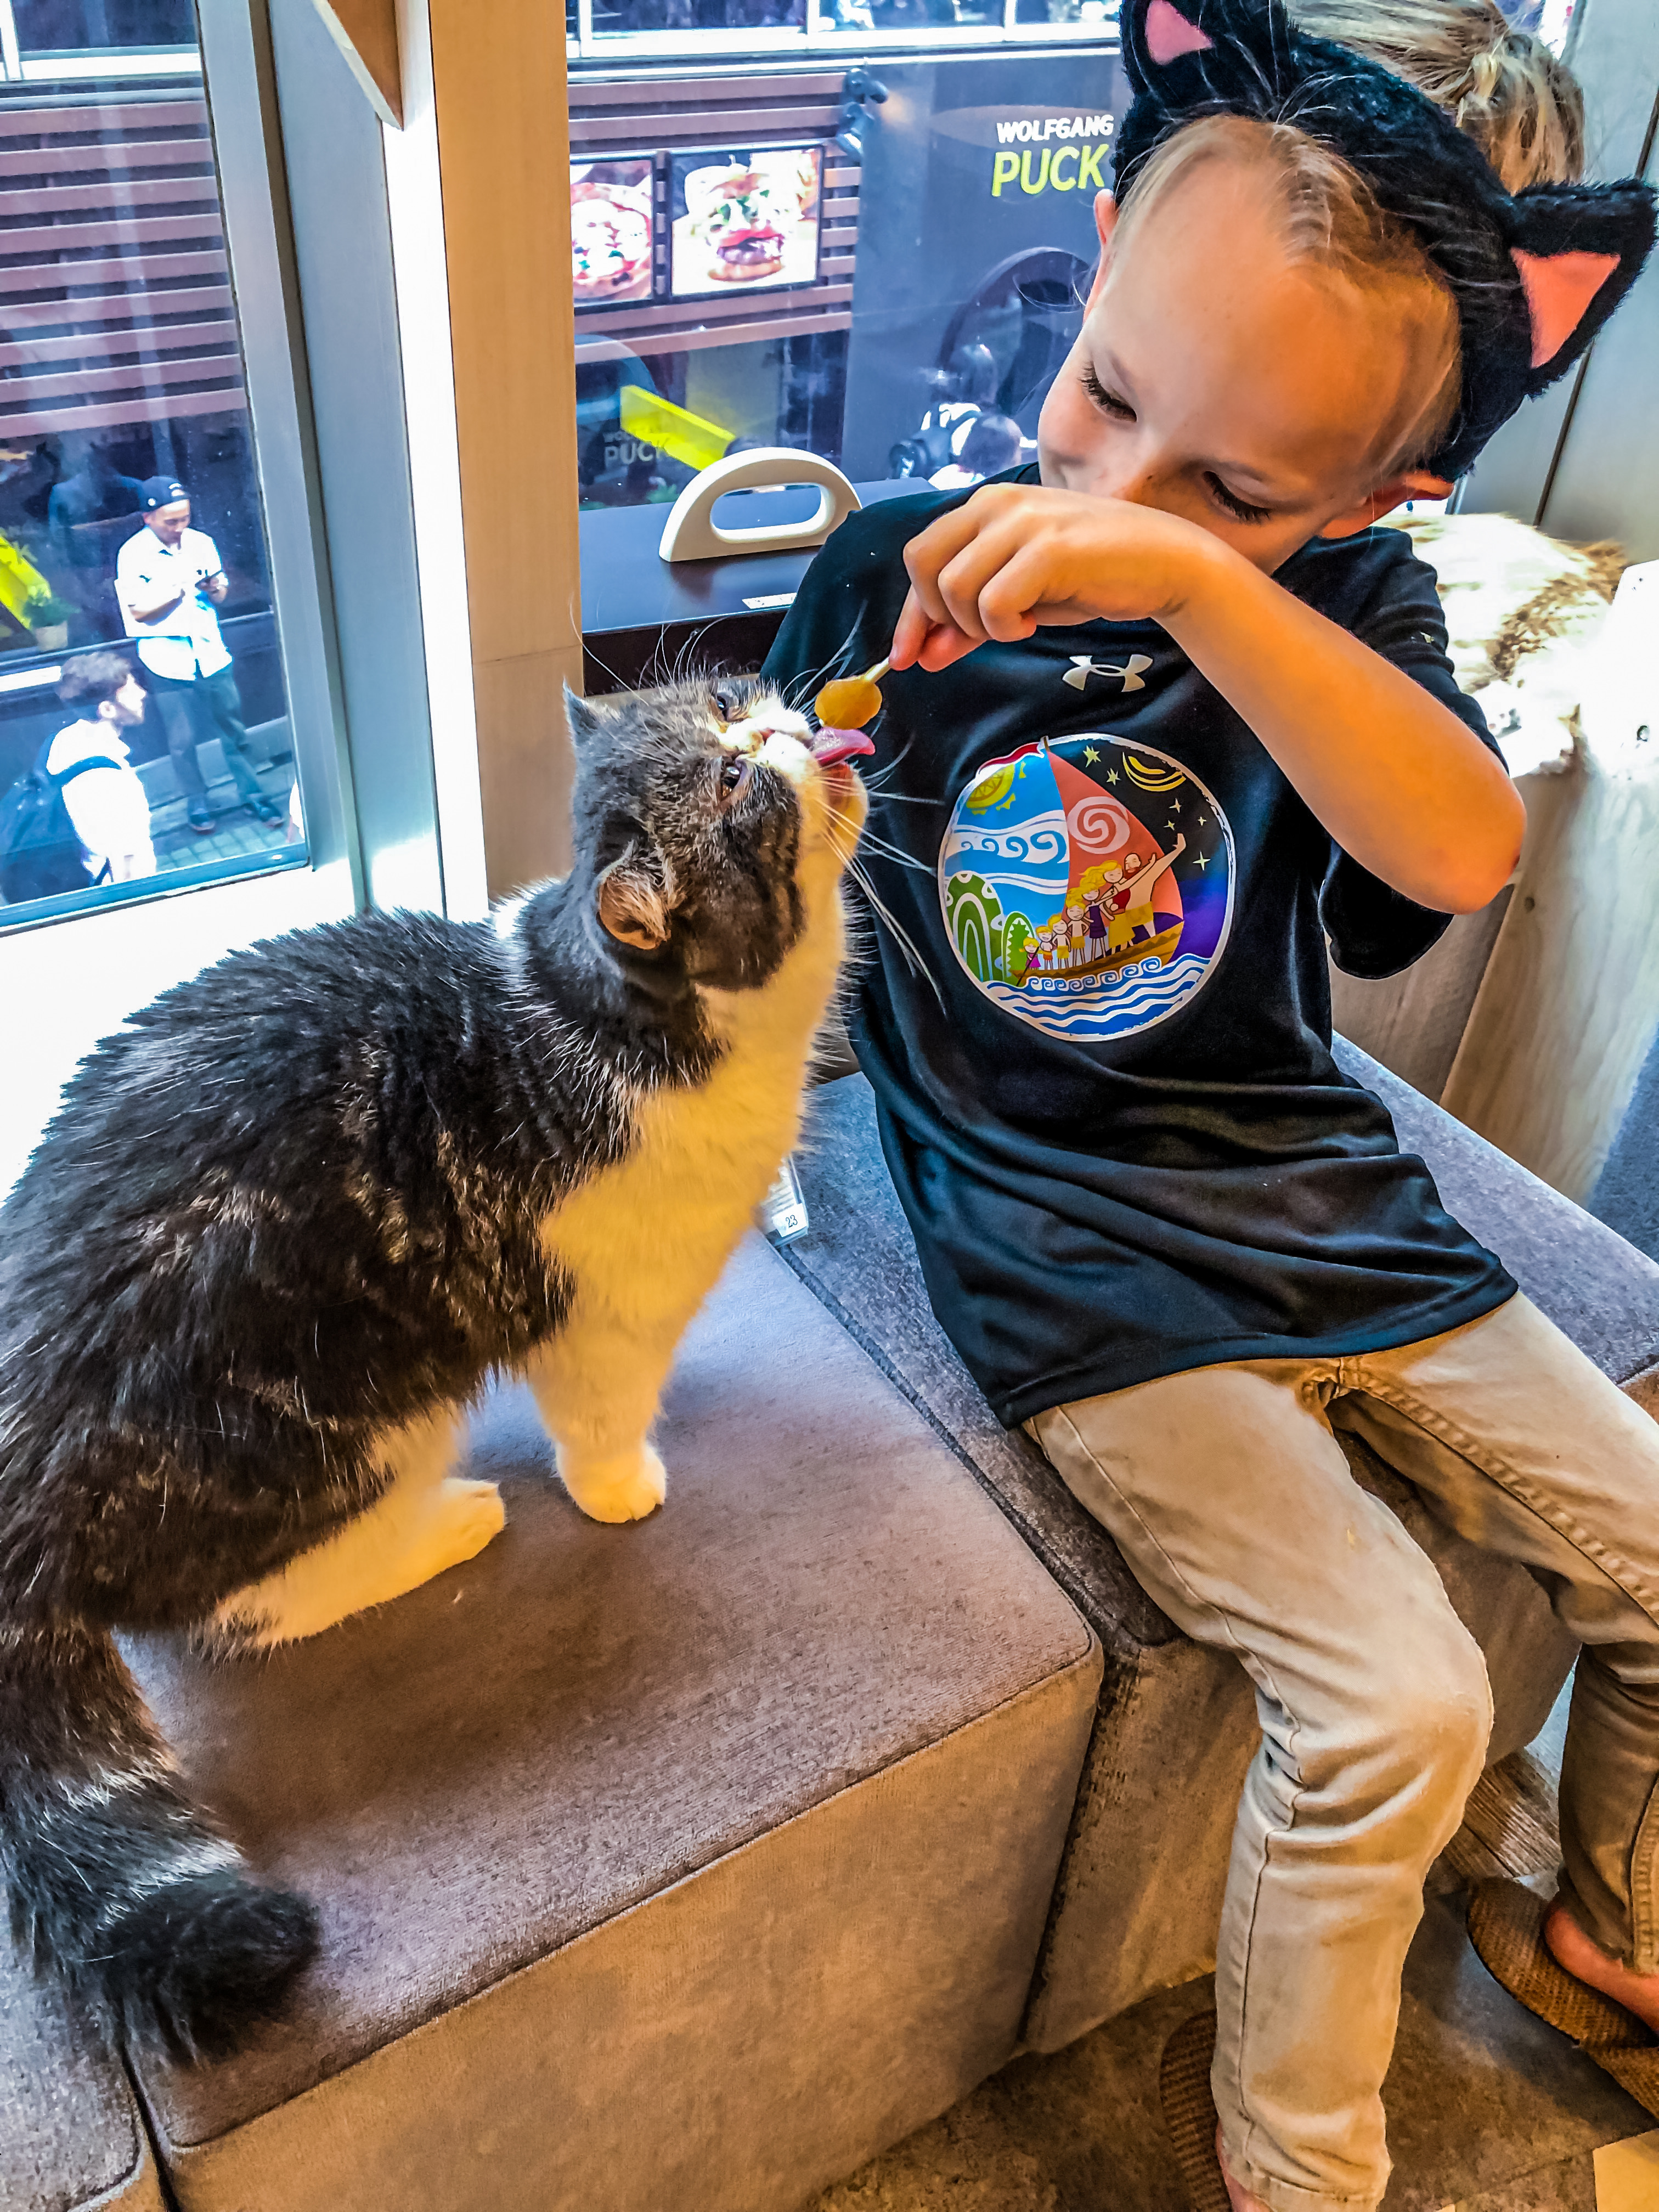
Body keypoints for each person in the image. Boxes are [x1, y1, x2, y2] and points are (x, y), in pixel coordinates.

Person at [763, 4, 1658, 2209]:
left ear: (1379, 496)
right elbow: (763, 893)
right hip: (1058, 1236)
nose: (1120, 487)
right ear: (1084, 292)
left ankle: (1616, 1927)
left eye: (1236, 486)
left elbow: (1450, 854)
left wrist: (1200, 586)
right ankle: (1302, 2172)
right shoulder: (897, 564)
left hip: (1319, 1198)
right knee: (1404, 1702)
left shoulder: (1355, 617)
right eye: (1107, 393)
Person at [114, 476, 283, 835]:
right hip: (167, 661)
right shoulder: (132, 554)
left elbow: (219, 595)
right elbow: (137, 613)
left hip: (210, 653)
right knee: (182, 740)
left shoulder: (201, 543)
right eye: (170, 521)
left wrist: (216, 588)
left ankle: (254, 793)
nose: (180, 528)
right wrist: (177, 594)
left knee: (234, 731)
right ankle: (197, 800)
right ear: (148, 518)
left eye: (185, 519)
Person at [44, 651, 155, 885]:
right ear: (107, 709)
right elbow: (126, 865)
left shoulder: (65, 740)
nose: (142, 694)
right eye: (129, 690)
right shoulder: (107, 778)